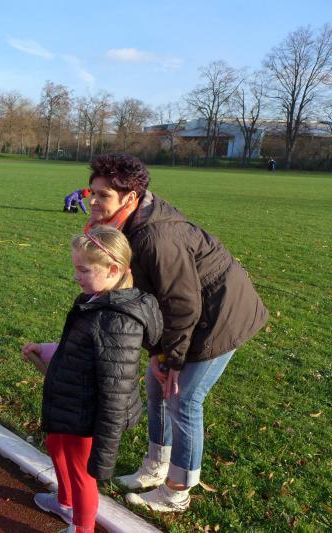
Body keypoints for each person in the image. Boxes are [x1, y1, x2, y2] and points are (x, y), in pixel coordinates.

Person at [82, 154, 268, 512]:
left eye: (103, 195)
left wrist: (173, 360)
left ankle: (177, 491)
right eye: (94, 192)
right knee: (157, 386)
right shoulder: (127, 225)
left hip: (222, 317)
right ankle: (156, 466)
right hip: (192, 312)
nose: (93, 201)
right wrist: (158, 353)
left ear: (130, 198)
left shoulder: (156, 238)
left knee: (183, 398)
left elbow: (181, 305)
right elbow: (151, 297)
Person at [22, 226, 162, 533]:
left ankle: (82, 528)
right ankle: (65, 502)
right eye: (76, 268)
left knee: (82, 471)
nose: (76, 276)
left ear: (113, 270)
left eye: (84, 270)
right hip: (72, 403)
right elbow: (78, 348)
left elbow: (116, 391)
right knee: (55, 445)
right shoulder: (95, 300)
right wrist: (45, 350)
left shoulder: (118, 322)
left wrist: (105, 449)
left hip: (89, 414)